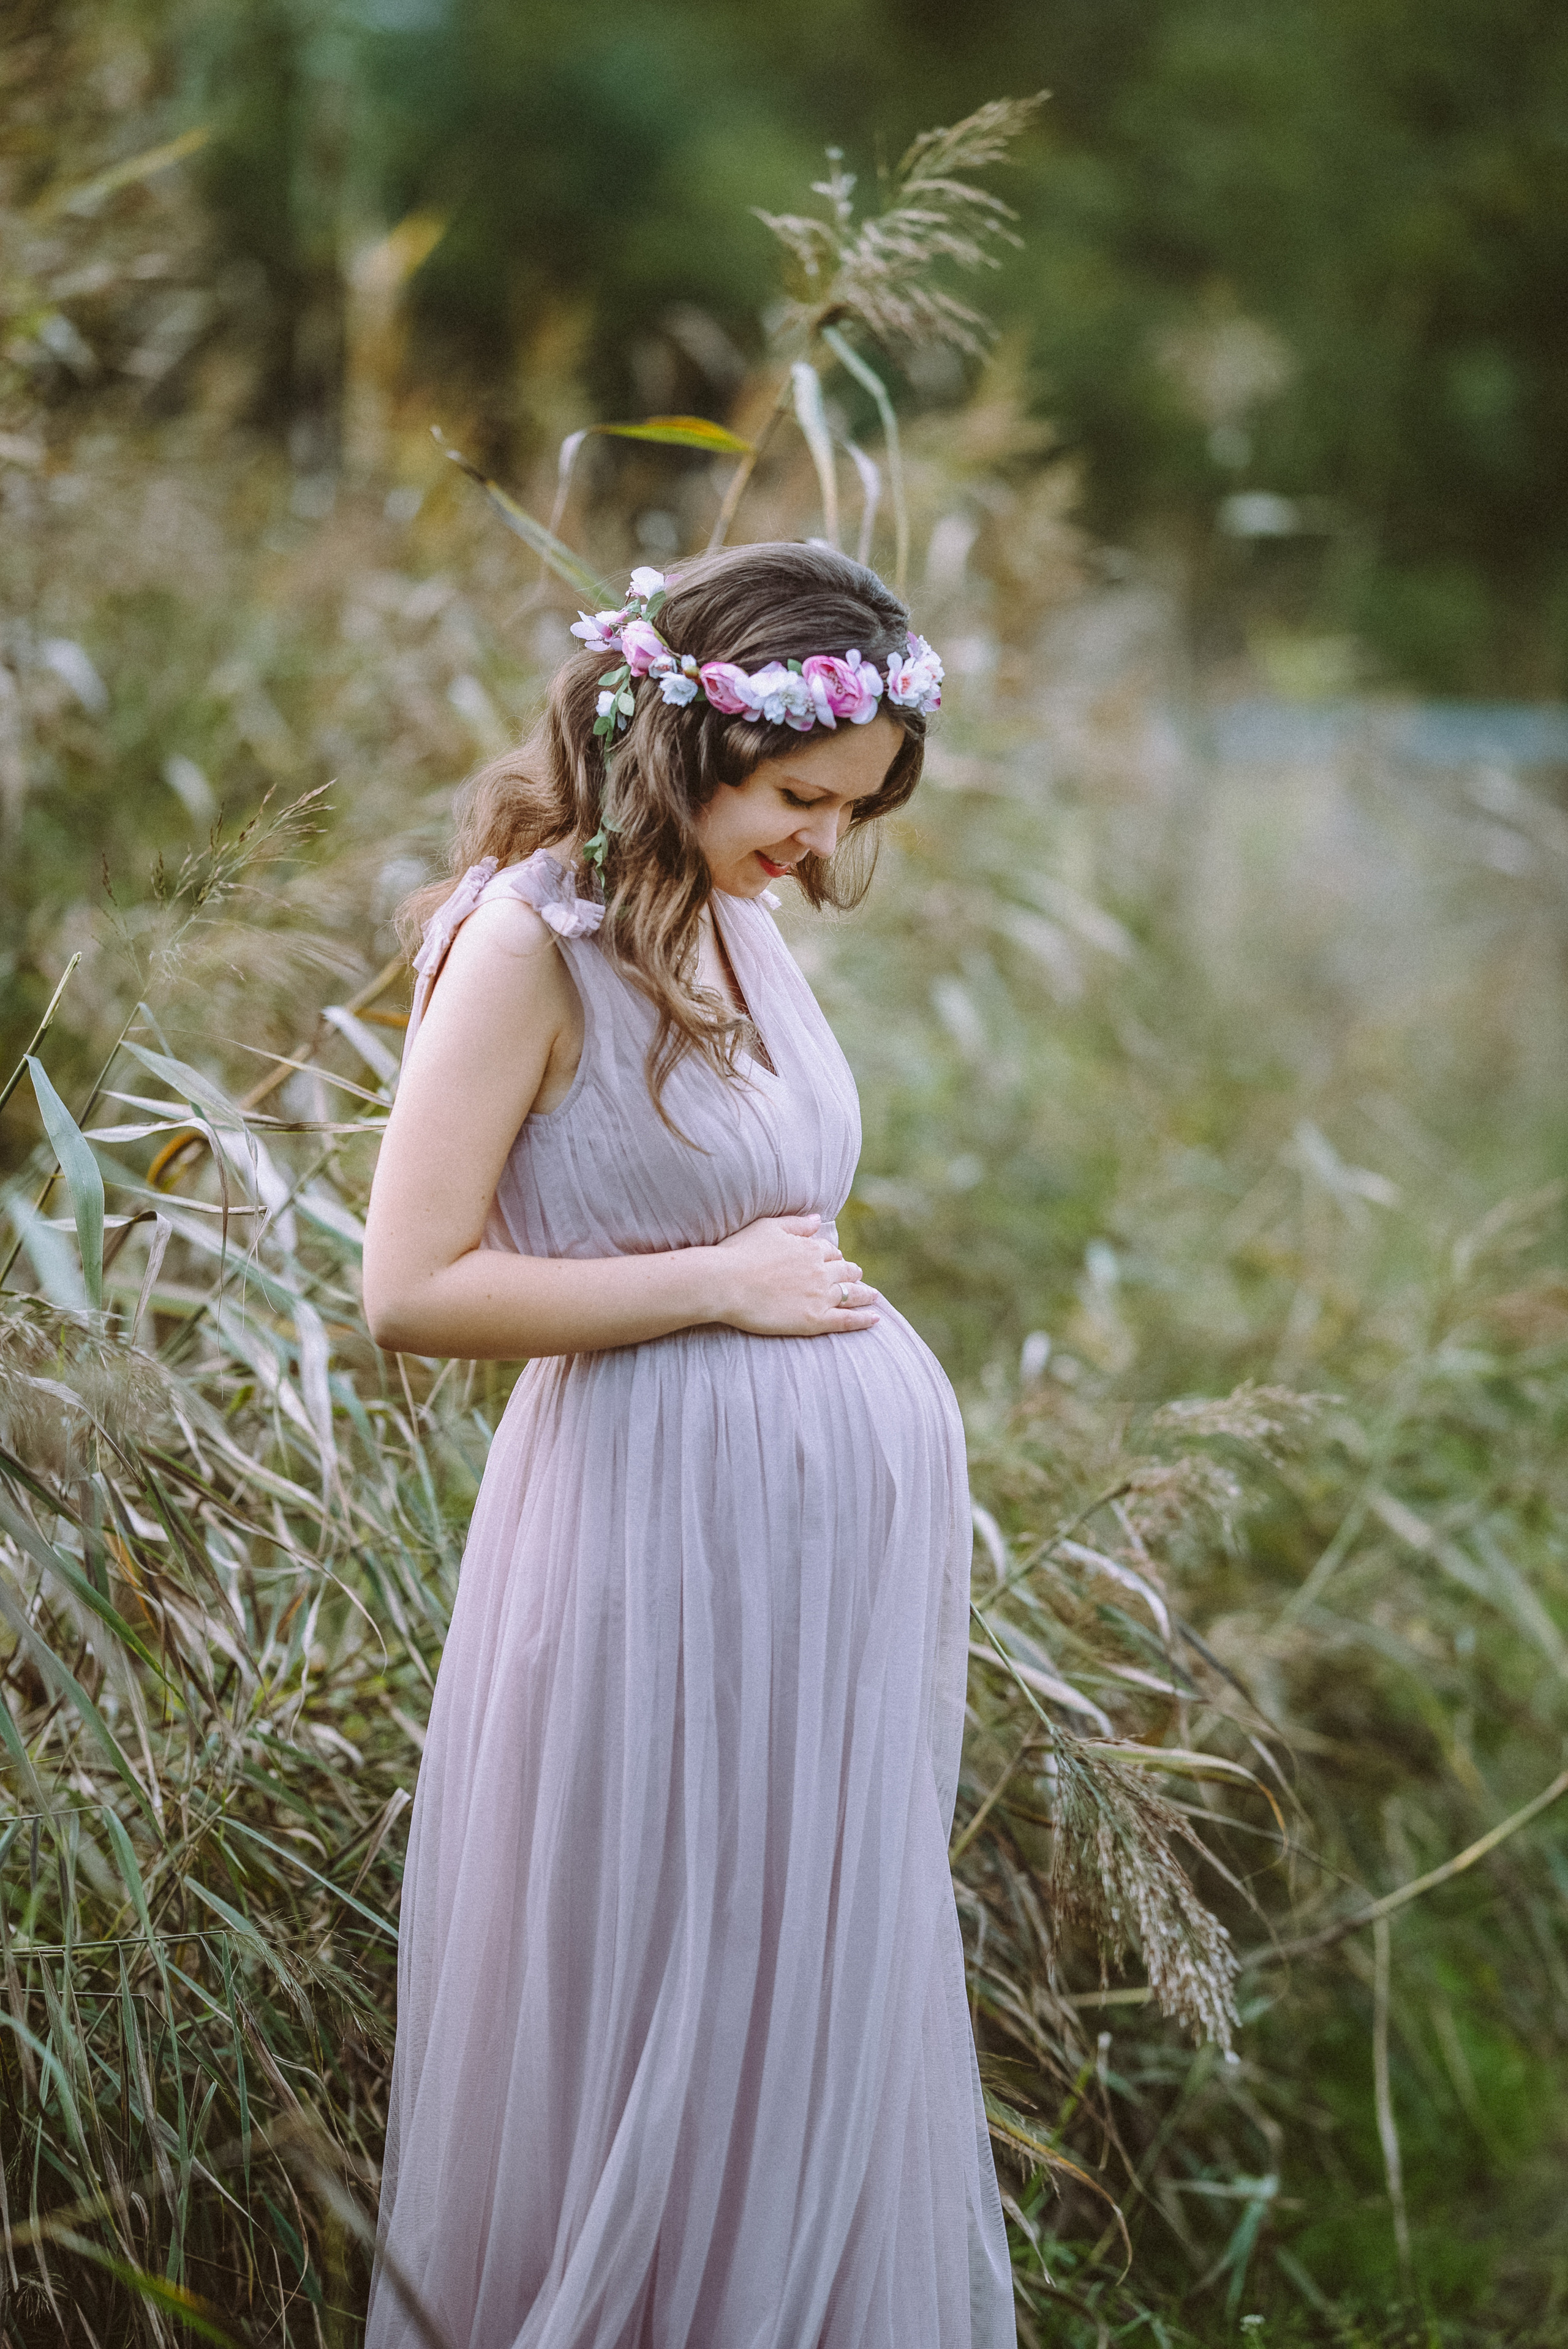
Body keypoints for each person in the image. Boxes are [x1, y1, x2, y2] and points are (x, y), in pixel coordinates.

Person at [361, 542, 1016, 2349]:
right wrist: (715, 1282)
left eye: (851, 808)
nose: (818, 840)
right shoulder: (527, 942)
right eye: (801, 795)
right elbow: (409, 1286)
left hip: (812, 1593)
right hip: (653, 1545)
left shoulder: (745, 915)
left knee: (791, 1999)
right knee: (668, 1981)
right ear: (685, 738)